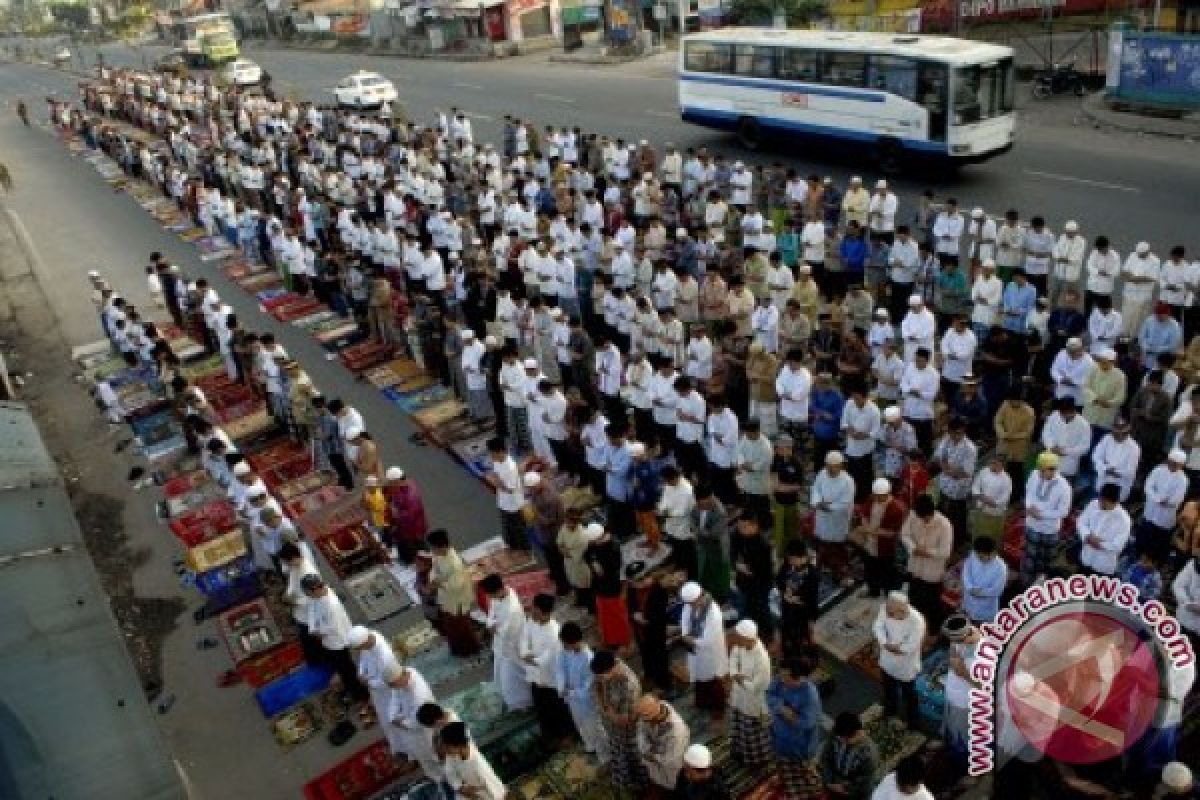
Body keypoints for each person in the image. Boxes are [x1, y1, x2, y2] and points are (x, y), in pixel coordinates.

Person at [301, 574, 369, 705]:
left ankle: (361, 695)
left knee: (347, 670)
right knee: (343, 667)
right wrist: (313, 628)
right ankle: (352, 687)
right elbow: (312, 609)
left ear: (313, 590)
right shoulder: (318, 595)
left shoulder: (331, 605)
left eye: (308, 592)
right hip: (329, 640)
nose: (308, 595)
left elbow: (333, 627)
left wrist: (318, 632)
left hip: (337, 642)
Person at [768, 656, 824, 799]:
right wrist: (782, 708)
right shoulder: (781, 680)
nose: (780, 679)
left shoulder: (810, 696)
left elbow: (808, 723)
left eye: (784, 677)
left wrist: (791, 717)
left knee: (805, 771)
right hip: (779, 735)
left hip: (801, 745)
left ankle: (813, 790)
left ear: (796, 678)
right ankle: (782, 777)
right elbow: (769, 694)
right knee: (780, 760)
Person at [520, 592, 573, 743]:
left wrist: (531, 659)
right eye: (532, 610)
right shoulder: (532, 620)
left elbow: (547, 659)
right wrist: (524, 652)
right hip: (535, 675)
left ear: (545, 613)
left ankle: (566, 733)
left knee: (558, 708)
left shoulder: (555, 632)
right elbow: (524, 637)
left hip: (550, 679)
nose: (532, 614)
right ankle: (549, 733)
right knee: (542, 707)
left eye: (536, 611)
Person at [592, 650, 646, 790]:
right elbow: (597, 686)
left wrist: (606, 709)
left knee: (634, 757)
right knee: (618, 752)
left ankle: (638, 784)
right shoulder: (606, 668)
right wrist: (604, 702)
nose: (599, 678)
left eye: (601, 676)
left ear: (611, 669)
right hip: (613, 727)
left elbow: (623, 720)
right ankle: (624, 779)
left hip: (628, 730)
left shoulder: (629, 686)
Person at [874, 592, 925, 730]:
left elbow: (910, 646)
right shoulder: (887, 608)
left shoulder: (917, 621)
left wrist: (894, 649)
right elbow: (878, 626)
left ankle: (913, 723)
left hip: (906, 666)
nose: (887, 614)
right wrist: (884, 643)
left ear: (902, 611)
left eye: (891, 613)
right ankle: (890, 712)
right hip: (887, 661)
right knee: (889, 690)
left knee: (910, 696)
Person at [556, 622, 607, 759]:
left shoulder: (588, 658)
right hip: (572, 698)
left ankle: (605, 757)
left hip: (586, 701)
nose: (563, 646)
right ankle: (590, 747)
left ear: (572, 642)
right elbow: (560, 668)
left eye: (564, 643)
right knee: (580, 724)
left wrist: (571, 692)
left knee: (595, 728)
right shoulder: (566, 651)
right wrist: (562, 686)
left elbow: (588, 686)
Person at [425, 529, 480, 656]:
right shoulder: (438, 556)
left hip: (457, 599)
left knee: (461, 626)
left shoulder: (455, 563)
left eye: (433, 548)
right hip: (447, 597)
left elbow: (457, 585)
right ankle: (457, 648)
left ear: (442, 546)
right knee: (451, 626)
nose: (432, 551)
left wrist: (438, 584)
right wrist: (433, 579)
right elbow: (434, 570)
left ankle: (471, 649)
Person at [676, 581, 728, 716]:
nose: (690, 607)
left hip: (710, 653)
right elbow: (684, 620)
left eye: (692, 603)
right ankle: (702, 702)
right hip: (695, 650)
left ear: (700, 597)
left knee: (713, 681)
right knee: (699, 678)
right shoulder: (690, 605)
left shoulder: (713, 612)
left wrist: (689, 639)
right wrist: (685, 634)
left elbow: (708, 639)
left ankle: (718, 710)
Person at [481, 573, 532, 711]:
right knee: (503, 673)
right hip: (501, 644)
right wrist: (491, 623)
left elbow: (508, 631)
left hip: (512, 644)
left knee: (512, 676)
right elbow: (492, 611)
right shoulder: (500, 594)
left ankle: (524, 701)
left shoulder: (512, 608)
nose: (489, 598)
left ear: (498, 590)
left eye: (490, 594)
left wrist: (494, 629)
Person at [1022, 452, 1073, 584]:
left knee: (1045, 562)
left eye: (1042, 470)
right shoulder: (1035, 474)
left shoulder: (1064, 487)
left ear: (1052, 470)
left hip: (1049, 530)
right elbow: (1028, 491)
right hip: (1031, 525)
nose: (1039, 473)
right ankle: (1025, 585)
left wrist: (1042, 515)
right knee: (1029, 557)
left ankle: (1039, 588)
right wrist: (1029, 507)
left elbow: (1064, 511)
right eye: (1039, 469)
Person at [728, 619, 772, 768]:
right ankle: (740, 751)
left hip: (752, 703)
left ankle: (756, 760)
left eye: (738, 637)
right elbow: (733, 657)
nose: (735, 640)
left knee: (752, 735)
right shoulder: (741, 645)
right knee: (739, 729)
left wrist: (740, 680)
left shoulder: (762, 659)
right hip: (738, 697)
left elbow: (757, 687)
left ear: (747, 638)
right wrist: (735, 673)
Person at [584, 524, 633, 648]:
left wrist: (624, 589)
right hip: (600, 589)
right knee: (605, 617)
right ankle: (610, 639)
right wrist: (593, 562)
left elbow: (619, 569)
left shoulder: (613, 548)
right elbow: (587, 555)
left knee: (617, 617)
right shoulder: (594, 546)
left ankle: (623, 642)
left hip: (612, 589)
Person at [811, 450, 855, 585]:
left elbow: (845, 502)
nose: (831, 469)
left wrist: (828, 507)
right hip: (822, 517)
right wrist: (818, 502)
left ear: (841, 466)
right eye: (828, 466)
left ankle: (841, 572)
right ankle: (823, 565)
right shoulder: (822, 474)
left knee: (837, 548)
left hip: (838, 520)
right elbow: (816, 489)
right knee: (822, 543)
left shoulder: (848, 481)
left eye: (834, 466)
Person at [635, 694, 690, 798]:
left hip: (670, 767)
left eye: (645, 717)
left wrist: (650, 755)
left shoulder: (677, 732)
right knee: (654, 779)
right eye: (641, 716)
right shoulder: (656, 710)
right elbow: (640, 732)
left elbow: (669, 759)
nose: (641, 719)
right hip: (653, 759)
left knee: (669, 787)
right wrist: (645, 748)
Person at [381, 663, 436, 762]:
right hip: (407, 720)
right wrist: (393, 716)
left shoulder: (419, 694)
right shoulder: (403, 674)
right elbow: (395, 697)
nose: (393, 688)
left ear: (400, 679)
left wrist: (401, 723)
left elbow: (420, 722)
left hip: (424, 726)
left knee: (431, 754)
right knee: (422, 755)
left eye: (394, 685)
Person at [348, 625, 401, 727]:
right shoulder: (370, 637)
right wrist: (361, 672)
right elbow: (363, 656)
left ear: (364, 643)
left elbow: (389, 681)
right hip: (375, 688)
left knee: (391, 721)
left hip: (388, 694)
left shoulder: (385, 656)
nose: (359, 650)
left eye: (359, 647)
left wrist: (368, 682)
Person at [820, 711, 880, 800]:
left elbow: (866, 782)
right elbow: (826, 757)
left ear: (856, 733)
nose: (841, 741)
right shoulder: (838, 734)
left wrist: (844, 789)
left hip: (850, 791)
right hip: (832, 781)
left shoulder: (869, 754)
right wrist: (828, 781)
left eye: (845, 739)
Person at [440, 721, 506, 800]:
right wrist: (461, 787)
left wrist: (475, 795)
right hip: (465, 792)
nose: (445, 751)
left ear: (460, 745)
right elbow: (450, 773)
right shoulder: (452, 755)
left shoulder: (477, 764)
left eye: (447, 747)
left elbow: (496, 791)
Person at [486, 437, 529, 551]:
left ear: (501, 452)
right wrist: (495, 479)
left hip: (514, 505)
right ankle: (513, 549)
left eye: (492, 453)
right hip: (503, 503)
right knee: (508, 530)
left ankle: (526, 552)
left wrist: (495, 481)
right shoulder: (497, 461)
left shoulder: (510, 467)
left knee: (519, 531)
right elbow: (495, 475)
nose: (491, 456)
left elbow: (510, 489)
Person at [960, 537, 1008, 623]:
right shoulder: (972, 556)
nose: (984, 559)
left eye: (988, 557)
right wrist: (970, 588)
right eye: (980, 557)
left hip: (986, 609)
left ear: (994, 553)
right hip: (969, 602)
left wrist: (982, 593)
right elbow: (966, 574)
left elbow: (998, 589)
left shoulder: (1001, 567)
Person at [870, 755, 935, 800]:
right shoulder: (891, 778)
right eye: (899, 783)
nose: (899, 788)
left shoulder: (925, 798)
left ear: (919, 782)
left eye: (904, 787)